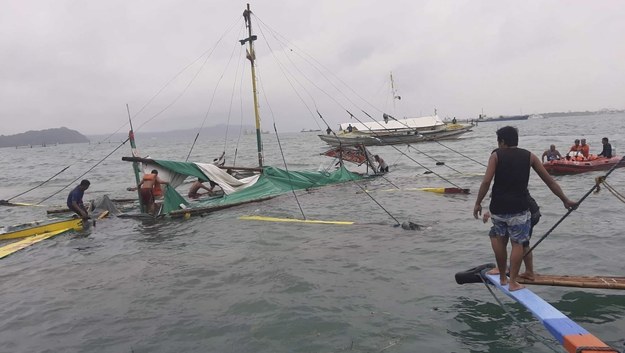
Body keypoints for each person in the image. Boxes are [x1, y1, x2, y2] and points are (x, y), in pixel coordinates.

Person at [473, 126, 576, 291]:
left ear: (502, 141)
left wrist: (478, 202)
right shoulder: (530, 156)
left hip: (498, 208)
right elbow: (549, 181)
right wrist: (565, 199)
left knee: (500, 240)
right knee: (517, 244)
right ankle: (513, 282)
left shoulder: (496, 156)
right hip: (519, 208)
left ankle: (502, 277)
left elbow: (486, 181)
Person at [483, 193, 541, 281]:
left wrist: (485, 207)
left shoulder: (501, 182)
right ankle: (529, 272)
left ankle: (502, 268)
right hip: (532, 211)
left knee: (494, 235)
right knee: (523, 243)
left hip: (522, 212)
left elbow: (498, 197)